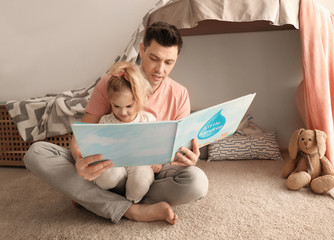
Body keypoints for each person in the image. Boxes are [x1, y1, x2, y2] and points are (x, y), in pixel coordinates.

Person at [24, 21, 208, 225]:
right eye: (154, 58)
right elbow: (83, 134)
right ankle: (134, 210)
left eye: (168, 62)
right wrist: (79, 161)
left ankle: (95, 200)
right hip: (107, 170)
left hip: (149, 175)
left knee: (197, 182)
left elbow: (179, 150)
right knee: (37, 153)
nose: (160, 69)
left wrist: (187, 157)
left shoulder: (180, 94)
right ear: (141, 49)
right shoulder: (111, 83)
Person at [94, 61, 161, 204]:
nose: (123, 112)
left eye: (129, 106)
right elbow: (99, 148)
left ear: (139, 100)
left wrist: (157, 161)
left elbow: (156, 145)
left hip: (139, 164)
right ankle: (116, 198)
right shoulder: (106, 121)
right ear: (110, 102)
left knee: (141, 177)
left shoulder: (147, 120)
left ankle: (129, 203)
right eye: (116, 106)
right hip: (115, 167)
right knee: (105, 175)